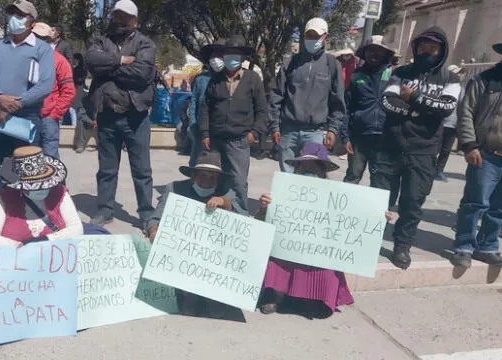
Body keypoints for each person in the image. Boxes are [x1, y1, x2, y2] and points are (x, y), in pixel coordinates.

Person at [376, 27, 460, 269]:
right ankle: (368, 242)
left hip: (423, 152)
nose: (428, 51)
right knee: (380, 201)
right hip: (391, 147)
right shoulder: (400, 72)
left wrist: (412, 99)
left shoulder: (450, 79)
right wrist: (421, 111)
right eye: (423, 46)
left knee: (412, 204)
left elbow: (446, 108)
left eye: (433, 47)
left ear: (441, 50)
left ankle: (402, 246)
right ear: (416, 47)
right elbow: (387, 102)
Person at [256, 143, 354, 316]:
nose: (308, 172)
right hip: (288, 247)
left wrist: (379, 216)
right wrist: (265, 208)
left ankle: (311, 298)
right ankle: (277, 297)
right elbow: (262, 224)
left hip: (317, 250)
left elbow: (353, 223)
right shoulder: (284, 192)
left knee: (327, 264)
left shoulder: (335, 198)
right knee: (277, 256)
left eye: (314, 168)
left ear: (323, 172)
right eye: (304, 167)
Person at [84, 0, 156, 231]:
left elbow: (142, 73)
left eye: (124, 17)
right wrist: (121, 60)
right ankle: (105, 210)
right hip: (107, 116)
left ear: (135, 20)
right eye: (116, 16)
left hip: (136, 117)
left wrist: (108, 70)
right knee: (106, 169)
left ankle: (146, 214)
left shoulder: (145, 43)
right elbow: (92, 61)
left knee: (142, 170)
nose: (119, 20)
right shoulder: (100, 40)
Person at [147, 151, 239, 317]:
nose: (206, 182)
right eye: (202, 176)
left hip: (213, 251)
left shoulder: (227, 194)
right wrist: (154, 231)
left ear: (218, 179)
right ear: (193, 176)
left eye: (212, 178)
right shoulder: (174, 189)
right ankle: (188, 295)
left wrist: (224, 203)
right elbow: (154, 218)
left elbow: (242, 226)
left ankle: (212, 296)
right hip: (183, 251)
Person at [0, 0, 54, 189]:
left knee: (27, 169)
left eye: (19, 15)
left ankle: (27, 213)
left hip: (27, 117)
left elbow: (45, 84)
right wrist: (0, 98)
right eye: (11, 14)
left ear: (32, 22)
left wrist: (16, 104)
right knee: (3, 167)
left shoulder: (42, 49)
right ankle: (5, 209)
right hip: (0, 116)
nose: (14, 19)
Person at [199, 35, 269, 215]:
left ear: (243, 57)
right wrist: (205, 133)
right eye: (228, 53)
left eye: (236, 54)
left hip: (240, 141)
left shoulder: (253, 79)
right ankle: (215, 215)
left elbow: (262, 110)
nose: (232, 57)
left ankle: (240, 218)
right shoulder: (215, 79)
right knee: (214, 179)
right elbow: (205, 108)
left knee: (238, 182)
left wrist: (254, 133)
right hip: (216, 140)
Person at [451, 42, 502, 268]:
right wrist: (469, 145)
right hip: (485, 153)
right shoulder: (484, 80)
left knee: (501, 206)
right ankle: (464, 246)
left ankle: (488, 246)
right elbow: (466, 112)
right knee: (475, 202)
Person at [269, 18, 346, 173]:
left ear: (326, 37)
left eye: (316, 36)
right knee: (287, 177)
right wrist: (274, 126)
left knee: (312, 177)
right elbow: (276, 96)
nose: (312, 40)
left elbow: (337, 102)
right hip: (288, 131)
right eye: (309, 36)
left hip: (316, 133)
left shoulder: (332, 65)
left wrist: (333, 129)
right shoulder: (289, 62)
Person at [0, 146, 83, 247]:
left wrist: (46, 239)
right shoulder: (1, 198)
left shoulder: (60, 193)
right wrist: (20, 246)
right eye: (34, 187)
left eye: (43, 185)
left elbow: (77, 228)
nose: (40, 189)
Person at [341, 36, 395, 185]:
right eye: (370, 50)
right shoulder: (356, 76)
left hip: (384, 138)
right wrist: (345, 137)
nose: (374, 54)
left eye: (379, 50)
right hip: (359, 137)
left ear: (386, 53)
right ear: (364, 53)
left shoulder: (394, 75)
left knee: (380, 180)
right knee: (352, 176)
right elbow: (347, 107)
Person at [32, 22, 75, 160]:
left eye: (43, 38)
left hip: (48, 118)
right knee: (27, 161)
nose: (38, 41)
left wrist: (54, 114)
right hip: (26, 117)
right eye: (35, 36)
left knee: (51, 163)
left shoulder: (59, 61)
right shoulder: (23, 59)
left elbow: (68, 92)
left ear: (49, 40)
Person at [186, 40, 225, 167]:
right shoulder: (201, 79)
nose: (216, 59)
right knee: (197, 164)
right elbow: (193, 104)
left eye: (219, 55)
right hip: (200, 130)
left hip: (221, 130)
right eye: (213, 55)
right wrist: (193, 125)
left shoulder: (228, 80)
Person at [434, 64, 467, 182]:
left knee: (446, 150)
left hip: (453, 124)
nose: (461, 75)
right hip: (440, 123)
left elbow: (463, 106)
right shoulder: (441, 86)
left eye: (461, 73)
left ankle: (439, 170)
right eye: (458, 73)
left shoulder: (461, 89)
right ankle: (429, 169)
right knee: (435, 148)